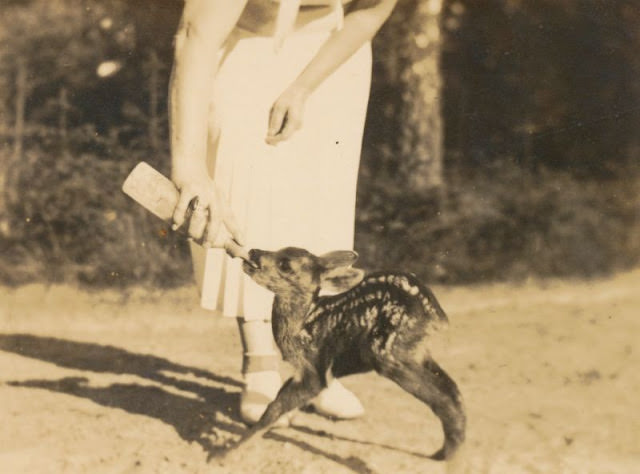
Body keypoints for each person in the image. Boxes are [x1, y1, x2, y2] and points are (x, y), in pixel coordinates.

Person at [169, 0, 398, 425]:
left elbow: (371, 9)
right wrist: (189, 167)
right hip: (245, 53)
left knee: (317, 213)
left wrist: (303, 86)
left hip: (332, 59)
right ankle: (259, 362)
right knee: (248, 203)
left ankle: (314, 367)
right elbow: (194, 36)